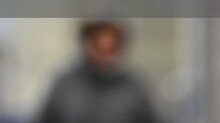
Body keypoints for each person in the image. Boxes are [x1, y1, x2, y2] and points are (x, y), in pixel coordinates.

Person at [35, 18, 163, 123]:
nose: (105, 52)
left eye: (111, 46)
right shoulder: (65, 85)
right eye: (99, 44)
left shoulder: (136, 87)